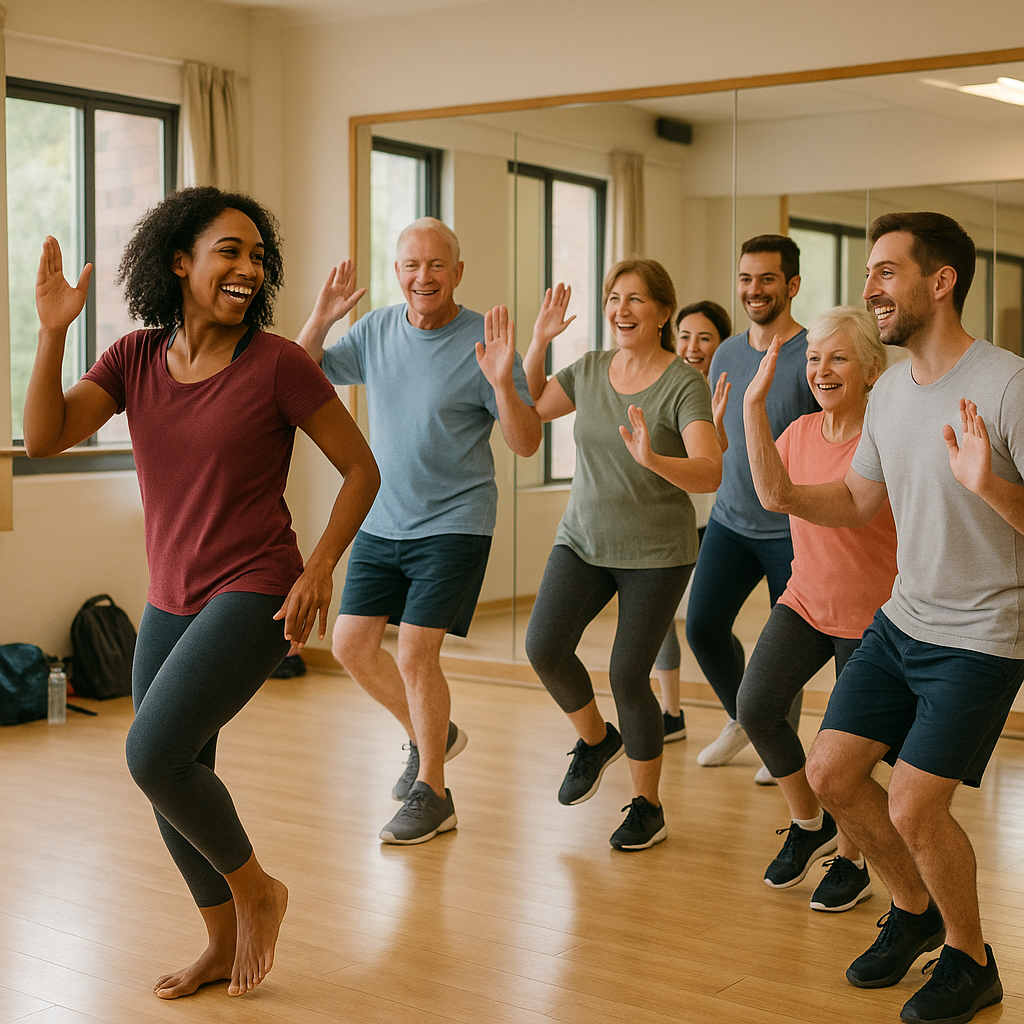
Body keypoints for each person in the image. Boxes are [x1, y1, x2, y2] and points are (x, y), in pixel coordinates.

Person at [24, 187, 380, 999]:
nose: (249, 268)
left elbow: (362, 470)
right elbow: (43, 437)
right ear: (179, 260)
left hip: (257, 587)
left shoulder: (279, 363)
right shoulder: (135, 359)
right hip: (169, 595)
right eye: (230, 251)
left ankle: (260, 891)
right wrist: (52, 336)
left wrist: (320, 565)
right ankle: (221, 938)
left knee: (151, 751)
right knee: (177, 774)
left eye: (259, 256)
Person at [758, 212, 1024, 1024]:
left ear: (939, 283)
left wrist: (992, 486)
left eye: (885, 272)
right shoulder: (893, 394)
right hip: (903, 619)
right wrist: (784, 494)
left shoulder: (1008, 384)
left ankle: (971, 961)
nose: (869, 287)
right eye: (869, 272)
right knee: (833, 775)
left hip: (982, 635)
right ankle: (912, 910)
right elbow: (859, 499)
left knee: (912, 802)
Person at [296, 217, 540, 845]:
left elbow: (526, 441)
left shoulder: (482, 339)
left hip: (455, 521)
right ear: (398, 272)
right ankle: (434, 734)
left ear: (457, 272)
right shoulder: (376, 329)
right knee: (351, 644)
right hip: (383, 517)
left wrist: (503, 385)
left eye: (436, 265)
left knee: (414, 651)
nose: (423, 277)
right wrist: (321, 317)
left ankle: (433, 789)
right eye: (411, 265)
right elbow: (297, 375)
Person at [523, 261, 721, 850]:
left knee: (627, 675)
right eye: (614, 298)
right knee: (543, 647)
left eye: (637, 299)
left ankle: (647, 805)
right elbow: (530, 404)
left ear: (664, 312)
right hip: (583, 539)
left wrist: (653, 459)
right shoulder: (587, 370)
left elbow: (709, 470)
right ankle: (593, 740)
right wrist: (538, 341)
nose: (622, 309)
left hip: (657, 552)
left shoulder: (684, 383)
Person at [740, 306, 896, 911]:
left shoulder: (882, 444)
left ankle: (853, 861)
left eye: (838, 358)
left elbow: (784, 495)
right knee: (756, 705)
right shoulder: (800, 433)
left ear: (870, 370)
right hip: (804, 601)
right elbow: (764, 488)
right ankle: (810, 824)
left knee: (846, 755)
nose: (821, 370)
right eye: (812, 358)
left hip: (873, 620)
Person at [684, 235, 818, 775]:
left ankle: (775, 738)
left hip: (791, 529)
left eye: (766, 279)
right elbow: (720, 438)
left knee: (783, 648)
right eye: (745, 278)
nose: (753, 290)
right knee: (702, 627)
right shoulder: (726, 353)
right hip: (729, 520)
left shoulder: (811, 354)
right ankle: (745, 719)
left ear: (792, 285)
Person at [654, 300, 731, 740]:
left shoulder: (728, 386)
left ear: (721, 343)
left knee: (707, 625)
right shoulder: (663, 382)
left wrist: (718, 424)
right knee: (660, 617)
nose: (693, 346)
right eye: (685, 336)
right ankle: (671, 711)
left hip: (714, 520)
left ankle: (742, 713)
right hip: (669, 514)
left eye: (705, 337)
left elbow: (722, 455)